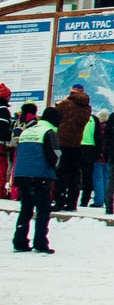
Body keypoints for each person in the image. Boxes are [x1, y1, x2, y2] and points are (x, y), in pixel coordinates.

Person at [11, 105, 58, 254]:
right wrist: (56, 168)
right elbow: (55, 155)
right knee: (43, 210)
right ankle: (40, 242)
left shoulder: (27, 130)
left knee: (26, 209)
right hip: (40, 175)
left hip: (22, 174)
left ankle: (20, 241)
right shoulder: (48, 132)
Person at [49, 84, 92, 211]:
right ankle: (72, 203)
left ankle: (59, 201)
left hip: (62, 142)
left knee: (60, 174)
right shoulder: (87, 107)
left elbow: (55, 114)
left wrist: (63, 101)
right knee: (74, 175)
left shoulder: (66, 104)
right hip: (76, 143)